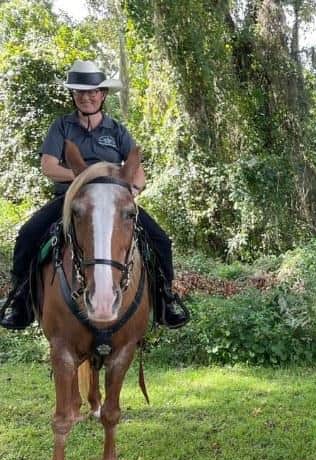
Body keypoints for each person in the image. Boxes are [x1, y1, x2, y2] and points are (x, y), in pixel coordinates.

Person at [0, 60, 188, 330]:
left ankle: (165, 299)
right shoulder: (61, 126)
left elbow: (138, 173)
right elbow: (49, 166)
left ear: (102, 95)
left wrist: (131, 191)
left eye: (93, 92)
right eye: (80, 92)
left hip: (112, 202)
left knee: (160, 240)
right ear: (73, 96)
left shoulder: (116, 130)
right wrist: (82, 177)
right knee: (28, 234)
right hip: (72, 200)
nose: (86, 97)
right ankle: (19, 300)